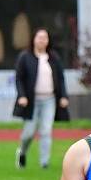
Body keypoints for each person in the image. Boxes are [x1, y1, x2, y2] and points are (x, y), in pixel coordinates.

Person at [13, 27, 69, 169]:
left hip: (49, 100)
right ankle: (22, 152)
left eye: (45, 38)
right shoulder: (25, 57)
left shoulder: (53, 57)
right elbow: (19, 78)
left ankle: (44, 163)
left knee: (46, 130)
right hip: (31, 101)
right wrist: (22, 96)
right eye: (39, 37)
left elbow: (61, 78)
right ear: (33, 39)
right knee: (29, 132)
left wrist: (63, 96)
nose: (42, 40)